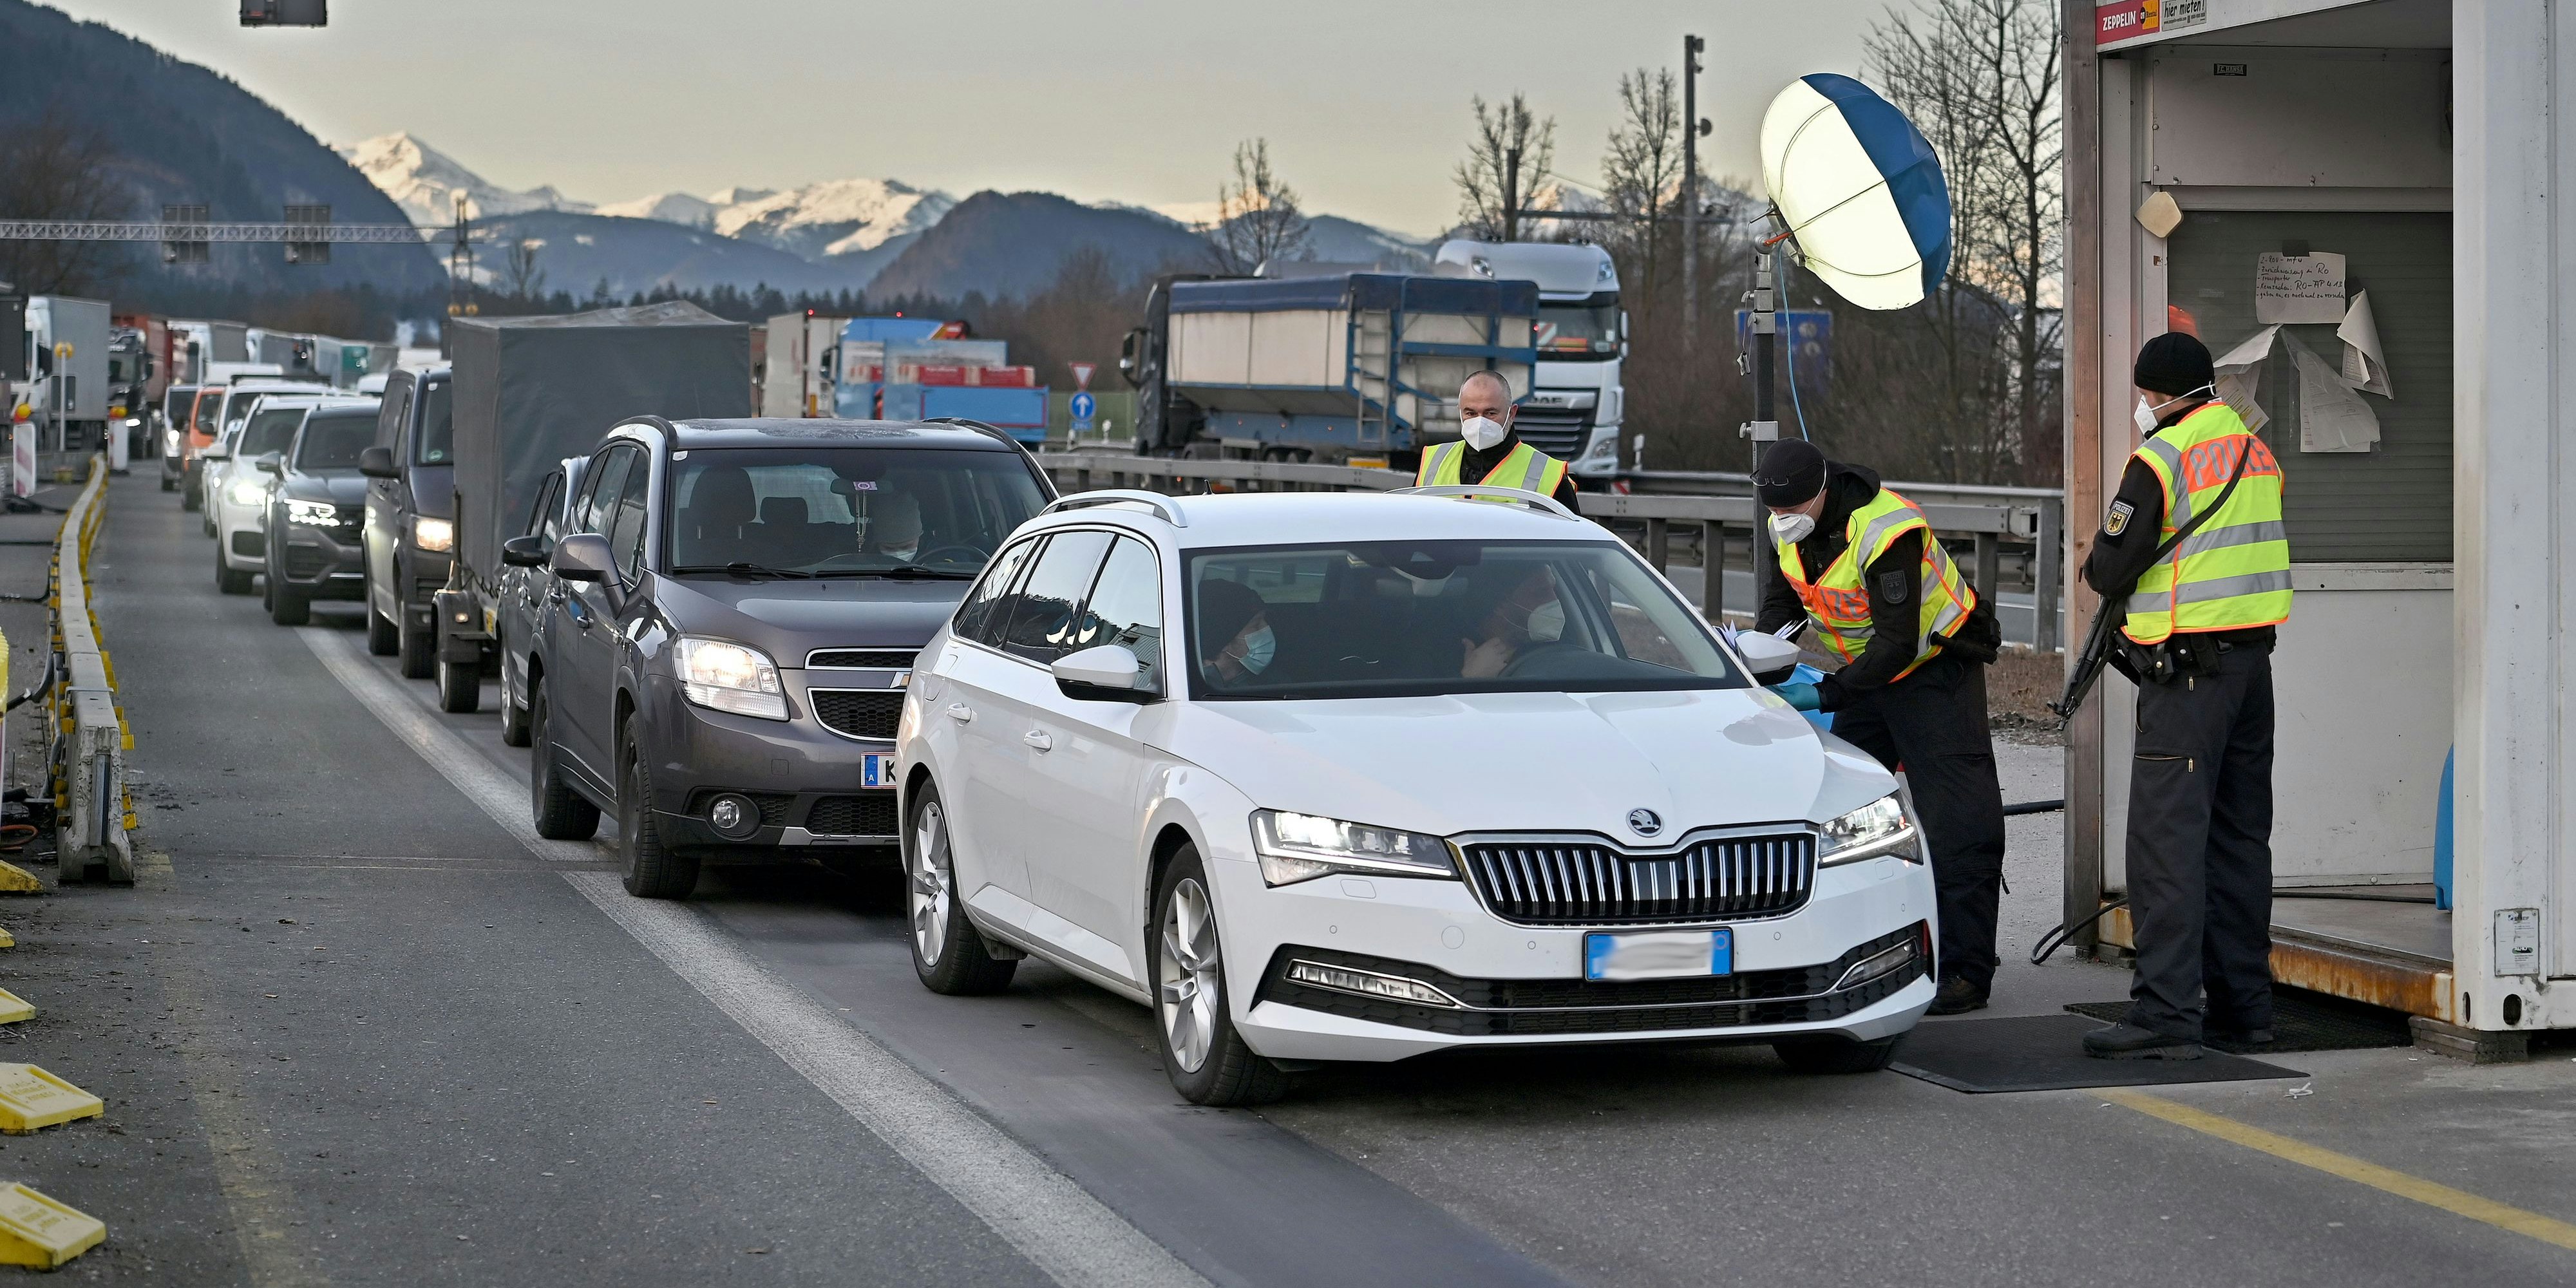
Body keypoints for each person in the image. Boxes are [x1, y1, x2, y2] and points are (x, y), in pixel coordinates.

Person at [2078, 332, 2291, 1061]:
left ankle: (2166, 1011)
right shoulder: (2252, 450)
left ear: (2157, 393)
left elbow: (2108, 567)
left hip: (2188, 678)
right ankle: (2243, 1010)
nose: (2140, 406)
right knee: (2238, 841)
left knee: (2166, 845)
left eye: (2142, 394)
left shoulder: (2161, 458)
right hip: (2249, 671)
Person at [1753, 438, 2007, 1016]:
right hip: (1869, 678)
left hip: (1934, 671)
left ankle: (1966, 971)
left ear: (1821, 491)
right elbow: (1783, 606)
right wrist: (1759, 657)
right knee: (1839, 811)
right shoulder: (1784, 523)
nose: (1781, 522)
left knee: (1958, 824)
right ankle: (1859, 950)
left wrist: (1827, 690)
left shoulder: (1886, 529)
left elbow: (1898, 640)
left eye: (1791, 509)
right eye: (1773, 512)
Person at [1414, 370, 1580, 509]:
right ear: (1460, 412)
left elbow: (1570, 542)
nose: (1480, 422)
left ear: (1512, 413)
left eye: (1490, 413)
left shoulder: (1547, 475)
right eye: (1470, 413)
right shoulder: (1433, 462)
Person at [1197, 578, 1278, 685]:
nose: (1266, 629)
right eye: (1256, 625)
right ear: (1223, 640)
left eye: (1265, 621)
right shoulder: (1192, 686)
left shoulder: (1275, 682)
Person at [864, 491, 924, 562]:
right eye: (888, 548)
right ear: (876, 543)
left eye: (906, 547)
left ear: (919, 537)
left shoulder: (937, 562)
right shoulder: (864, 565)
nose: (898, 555)